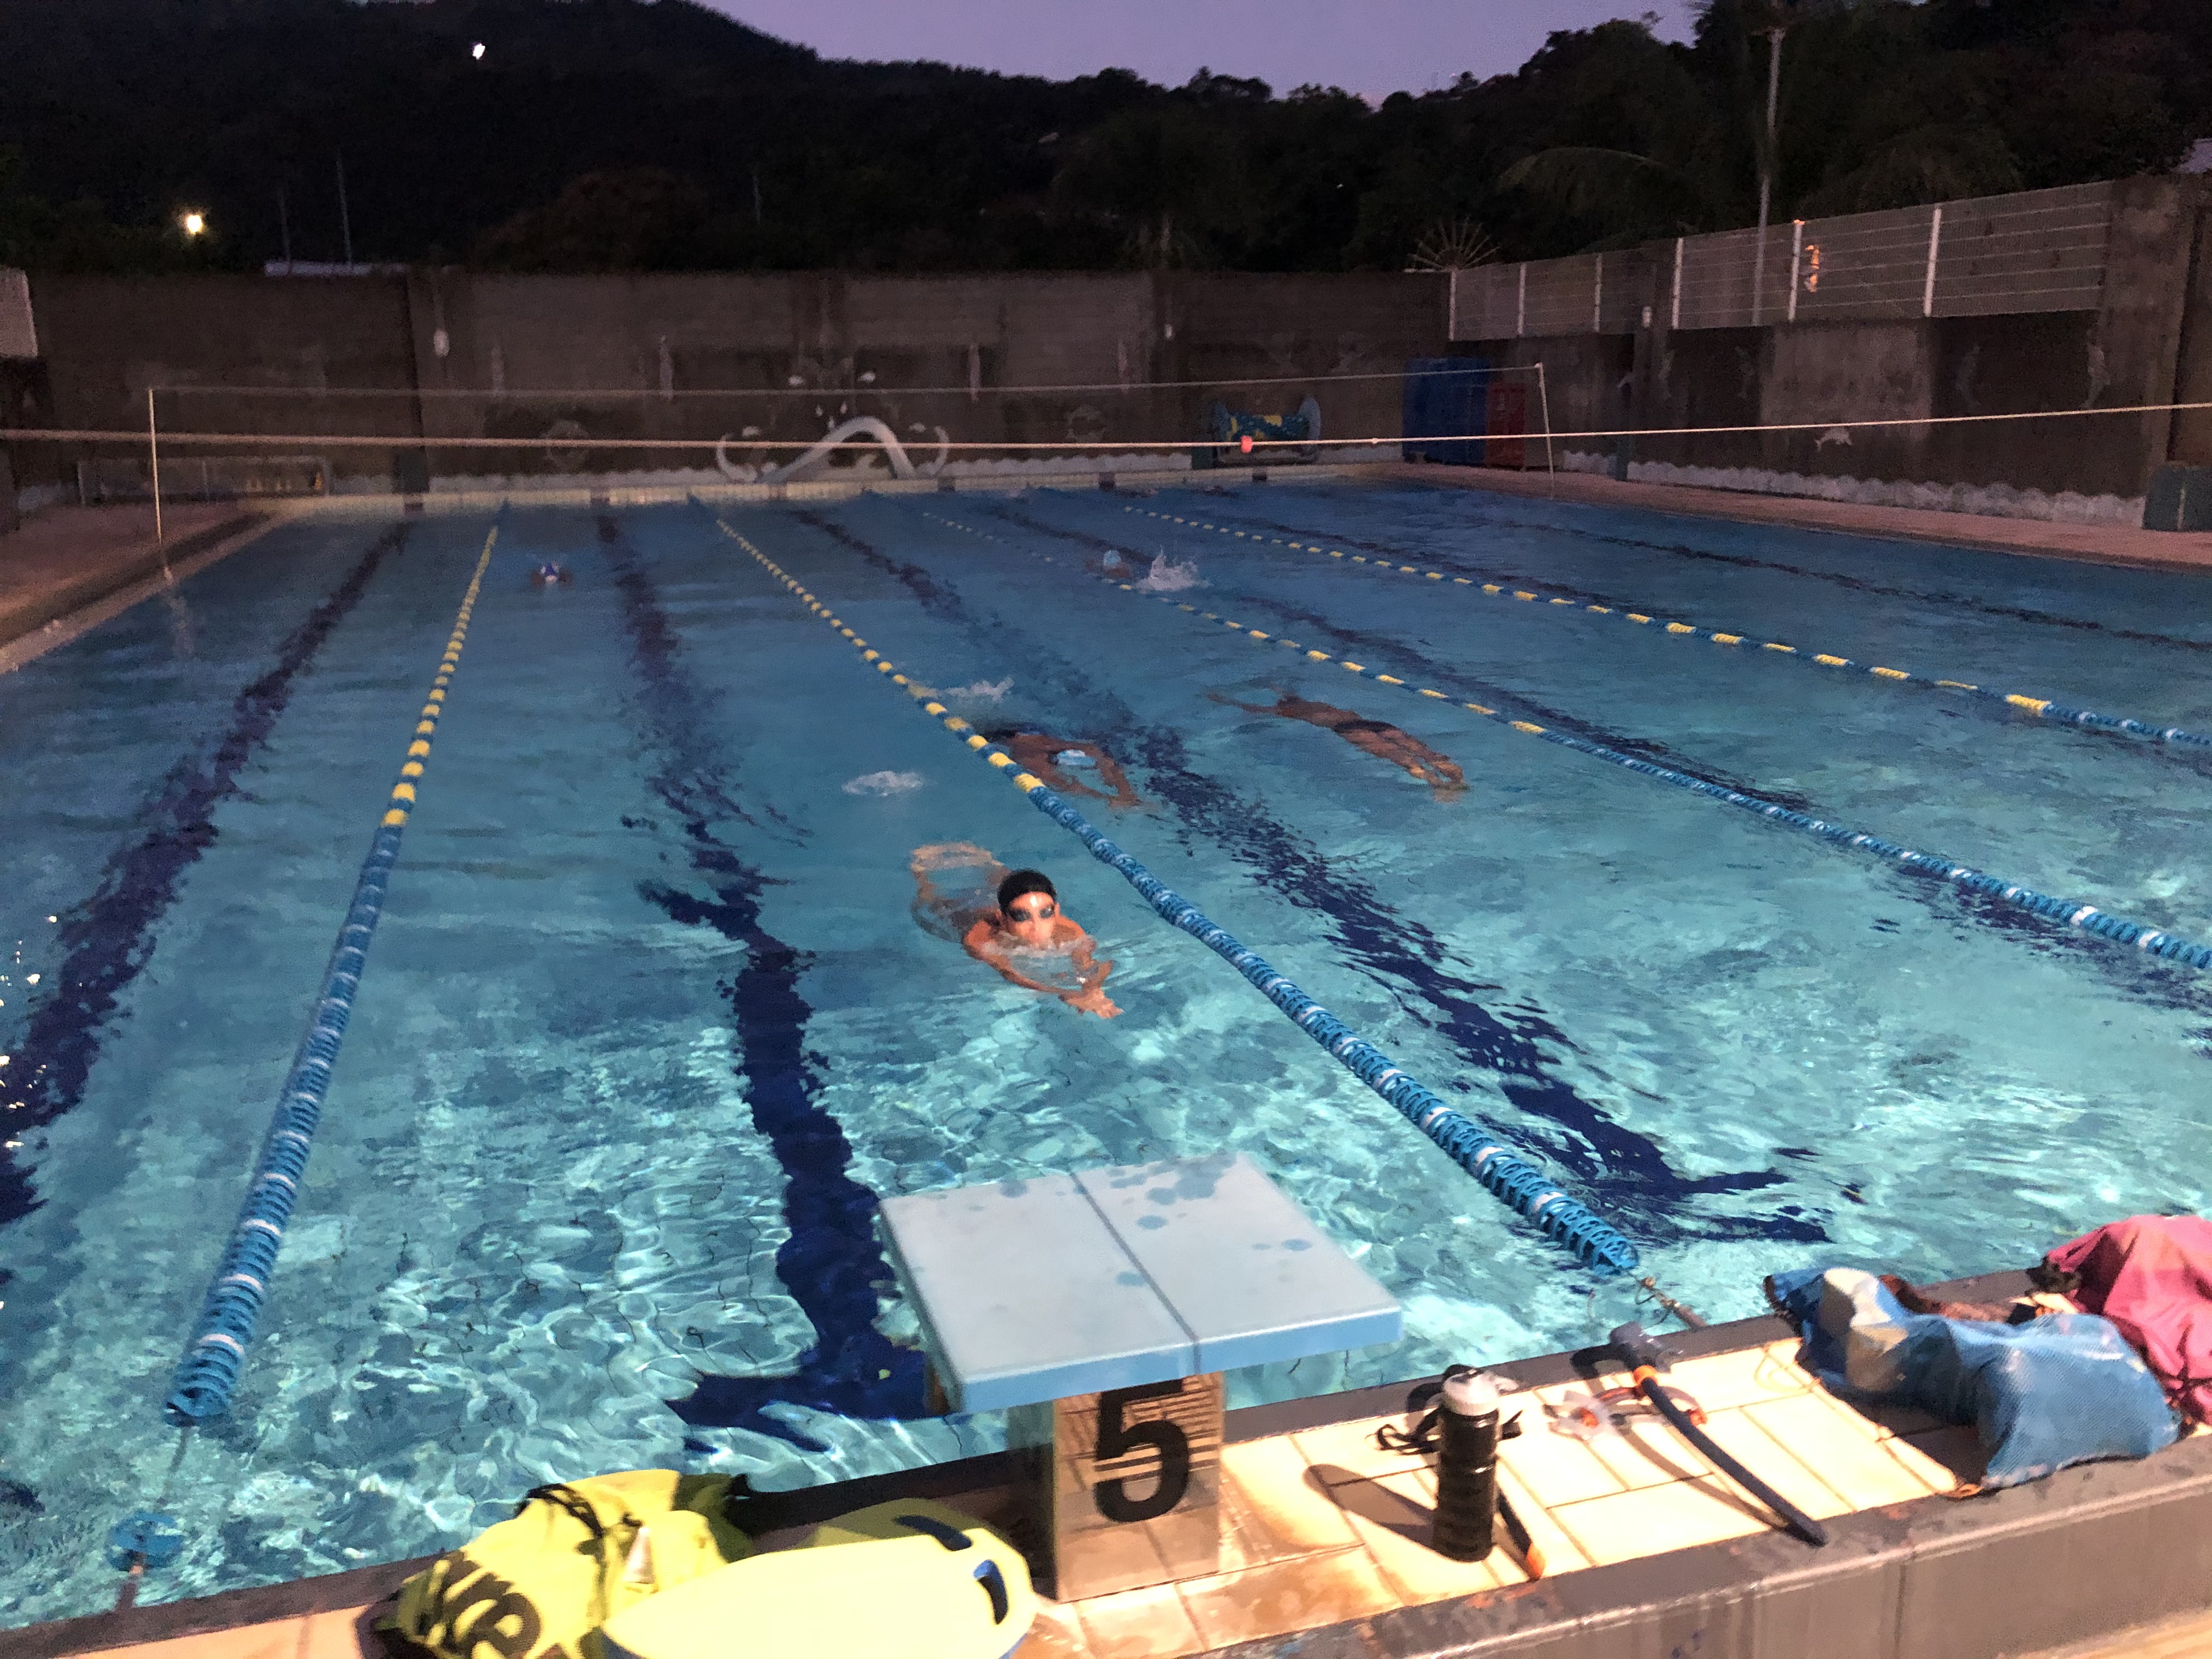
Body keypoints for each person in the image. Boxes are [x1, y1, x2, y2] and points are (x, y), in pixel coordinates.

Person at [909, 843, 1120, 1018]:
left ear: (1056, 912)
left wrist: (1093, 990)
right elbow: (1012, 975)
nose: (1037, 926)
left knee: (1010, 881)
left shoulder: (1070, 931)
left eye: (1046, 913)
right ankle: (921, 878)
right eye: (1021, 916)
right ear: (1002, 919)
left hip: (997, 900)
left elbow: (1093, 965)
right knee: (929, 904)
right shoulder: (980, 940)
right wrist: (1065, 993)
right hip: (963, 911)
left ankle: (989, 862)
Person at [1215, 690, 1465, 795]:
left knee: (1399, 757)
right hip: (1374, 723)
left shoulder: (1289, 712)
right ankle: (1457, 779)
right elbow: (1285, 692)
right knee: (1423, 751)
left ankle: (1436, 784)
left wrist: (1225, 701)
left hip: (1350, 730)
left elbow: (1256, 709)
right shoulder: (1319, 705)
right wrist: (1277, 687)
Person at [978, 728, 1144, 810]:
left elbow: (1070, 785)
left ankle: (1124, 798)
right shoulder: (1031, 754)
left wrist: (1113, 794)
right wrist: (1112, 793)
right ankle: (1125, 798)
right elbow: (1070, 784)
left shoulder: (1031, 750)